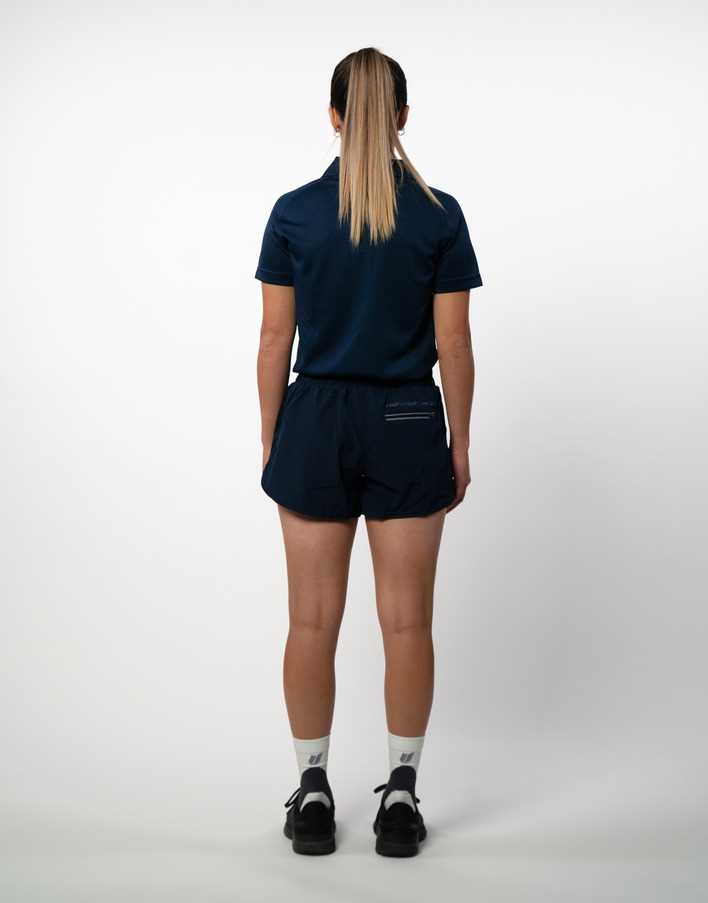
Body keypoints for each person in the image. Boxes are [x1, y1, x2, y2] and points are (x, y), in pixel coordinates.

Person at [254, 47, 482, 857]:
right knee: (407, 621)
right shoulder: (439, 215)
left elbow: (275, 340)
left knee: (311, 619)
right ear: (403, 118)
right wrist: (458, 443)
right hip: (409, 419)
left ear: (334, 116)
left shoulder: (294, 213)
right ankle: (402, 798)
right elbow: (453, 344)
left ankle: (314, 793)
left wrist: (275, 437)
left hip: (315, 417)